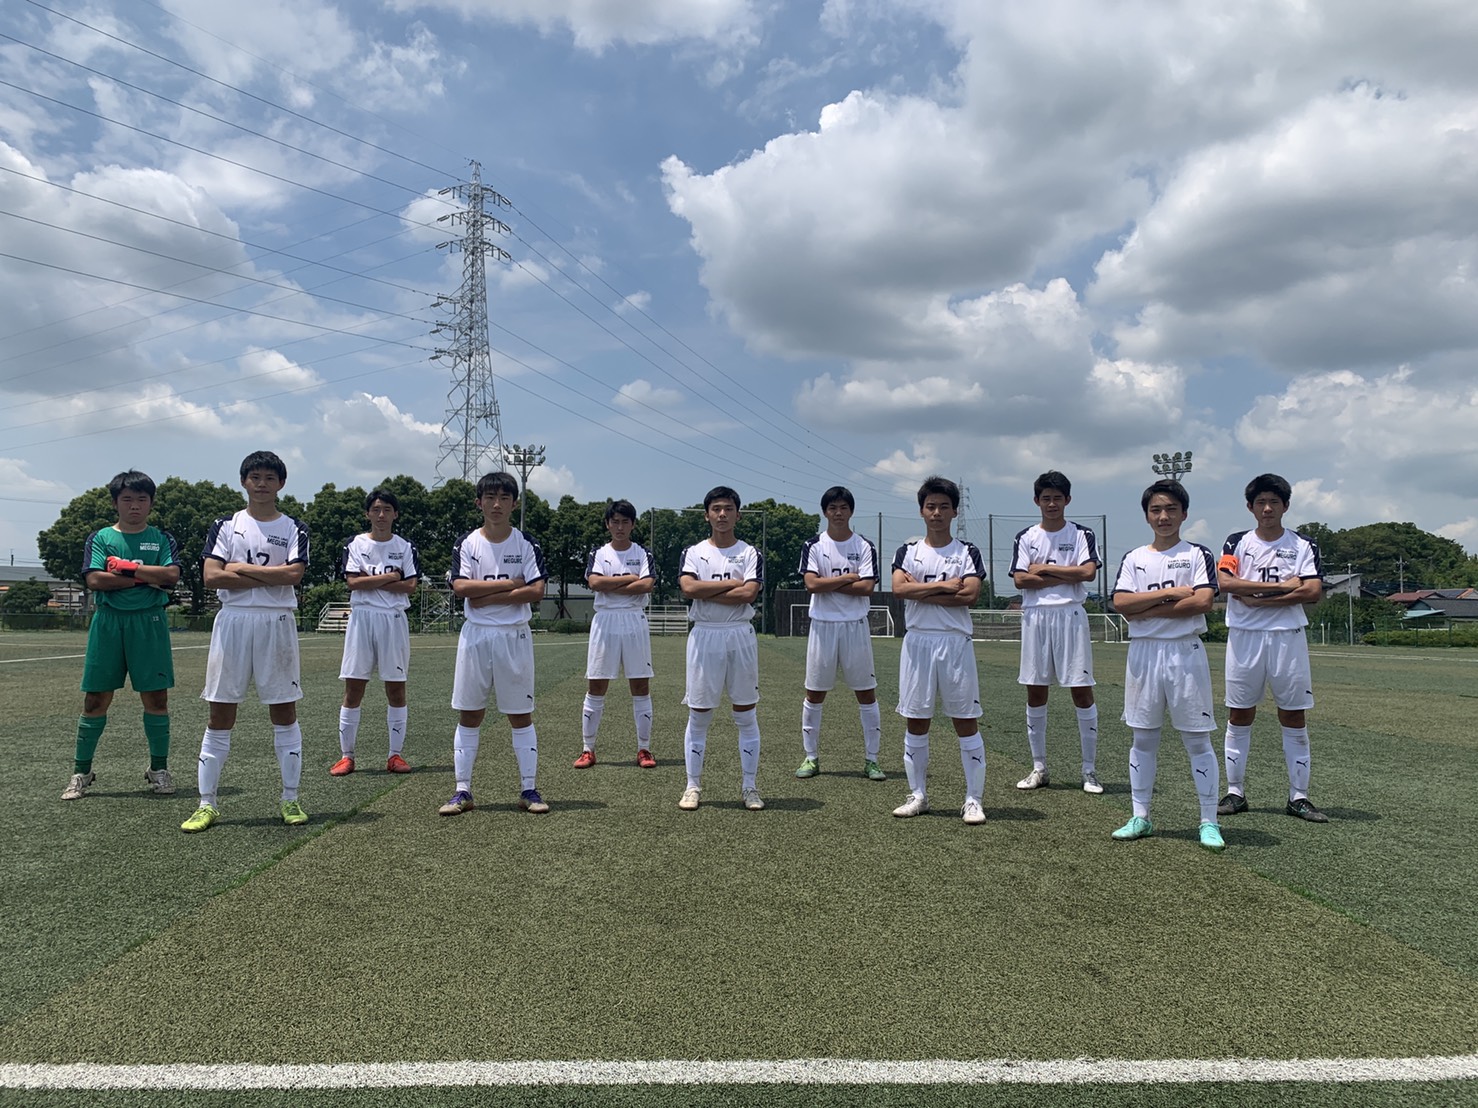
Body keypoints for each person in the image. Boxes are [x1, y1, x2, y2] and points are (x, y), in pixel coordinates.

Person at [182, 451, 310, 833]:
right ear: (243, 481)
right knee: (220, 713)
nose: (262, 484)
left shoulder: (294, 527)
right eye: (255, 477)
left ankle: (290, 798)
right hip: (233, 621)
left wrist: (238, 568)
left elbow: (294, 576)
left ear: (281, 483)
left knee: (284, 711)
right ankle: (206, 803)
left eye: (269, 478)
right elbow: (211, 577)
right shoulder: (225, 525)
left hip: (276, 622)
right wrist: (270, 574)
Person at [1109, 479, 1224, 852]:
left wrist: (1146, 607)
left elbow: (1203, 602)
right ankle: (1140, 816)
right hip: (1143, 653)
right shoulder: (1134, 558)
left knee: (1197, 739)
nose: (1163, 516)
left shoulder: (1196, 554)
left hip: (1184, 652)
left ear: (1184, 514)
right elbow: (1121, 603)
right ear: (1146, 515)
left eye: (1171, 509)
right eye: (1156, 510)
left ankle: (1209, 821)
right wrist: (1170, 594)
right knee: (1143, 738)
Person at [63, 470, 182, 801]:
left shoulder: (162, 538)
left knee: (156, 699)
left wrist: (124, 568)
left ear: (151, 503)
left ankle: (158, 769)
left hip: (149, 622)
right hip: (108, 622)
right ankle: (82, 772)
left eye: (142, 499)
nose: (134, 506)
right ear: (115, 503)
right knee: (95, 699)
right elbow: (95, 580)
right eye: (127, 499)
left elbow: (171, 575)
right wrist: (146, 578)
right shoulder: (100, 538)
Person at [1215, 474, 1327, 822]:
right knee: (1239, 712)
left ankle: (1299, 797)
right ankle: (1235, 792)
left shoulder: (1303, 544)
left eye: (1274, 502)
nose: (1267, 508)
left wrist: (1259, 599)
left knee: (1293, 714)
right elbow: (1225, 583)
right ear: (1250, 507)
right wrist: (1283, 587)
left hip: (1287, 635)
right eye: (1261, 502)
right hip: (1244, 636)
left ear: (1285, 506)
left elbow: (1312, 590)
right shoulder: (1236, 542)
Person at [439, 472, 550, 817]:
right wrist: (511, 585)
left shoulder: (526, 543)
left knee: (520, 714)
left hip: (514, 635)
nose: (497, 504)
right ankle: (462, 790)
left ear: (514, 504)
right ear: (479, 503)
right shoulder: (467, 543)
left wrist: (486, 595)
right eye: (490, 498)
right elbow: (461, 588)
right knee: (470, 712)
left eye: (504, 498)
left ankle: (529, 788)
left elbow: (537, 590)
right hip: (476, 635)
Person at [889, 476, 988, 824]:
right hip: (918, 642)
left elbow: (969, 595)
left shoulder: (967, 552)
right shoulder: (908, 551)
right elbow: (898, 590)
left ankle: (973, 800)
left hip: (954, 642)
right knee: (916, 720)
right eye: (930, 506)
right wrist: (946, 586)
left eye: (944, 506)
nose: (937, 513)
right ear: (921, 511)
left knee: (965, 720)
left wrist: (921, 589)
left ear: (954, 512)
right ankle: (918, 795)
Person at [1008, 471, 1103, 793]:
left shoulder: (1081, 534)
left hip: (1071, 615)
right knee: (1036, 691)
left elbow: (1088, 573)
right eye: (1046, 498)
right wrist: (1068, 574)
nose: (1052, 504)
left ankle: (1089, 770)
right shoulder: (1026, 537)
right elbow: (1020, 579)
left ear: (1067, 500)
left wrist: (1045, 569)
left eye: (1057, 498)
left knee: (1081, 690)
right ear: (1037, 501)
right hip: (1035, 617)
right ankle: (1039, 767)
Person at [677, 486, 765, 812]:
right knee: (699, 714)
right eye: (716, 509)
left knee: (745, 713)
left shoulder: (750, 553)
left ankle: (750, 787)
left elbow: (749, 594)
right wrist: (731, 584)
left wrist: (708, 589)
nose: (722, 514)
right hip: (705, 635)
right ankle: (692, 786)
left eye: (728, 508)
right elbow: (688, 588)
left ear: (738, 515)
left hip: (740, 635)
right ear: (707, 515)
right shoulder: (694, 552)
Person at [793, 486, 884, 782]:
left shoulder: (864, 545)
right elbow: (811, 585)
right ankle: (811, 757)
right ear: (825, 512)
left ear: (851, 511)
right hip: (822, 625)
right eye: (833, 508)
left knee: (866, 693)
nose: (838, 513)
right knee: (814, 693)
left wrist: (828, 582)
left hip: (855, 625)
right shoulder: (813, 545)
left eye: (843, 508)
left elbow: (867, 587)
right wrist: (847, 578)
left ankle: (872, 760)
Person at [330, 489, 420, 777]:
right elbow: (353, 583)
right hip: (362, 618)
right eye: (376, 509)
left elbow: (410, 586)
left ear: (396, 514)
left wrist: (371, 580)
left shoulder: (405, 546)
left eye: (387, 510)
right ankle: (347, 756)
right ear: (368, 513)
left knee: (396, 687)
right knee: (354, 687)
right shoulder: (355, 544)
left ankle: (395, 755)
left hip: (393, 619)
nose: (381, 515)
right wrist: (391, 576)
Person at [576, 499, 657, 770]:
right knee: (596, 685)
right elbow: (594, 582)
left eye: (625, 522)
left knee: (640, 685)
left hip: (634, 620)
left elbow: (646, 585)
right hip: (605, 621)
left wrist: (612, 585)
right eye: (615, 522)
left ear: (632, 525)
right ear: (607, 524)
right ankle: (588, 749)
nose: (620, 527)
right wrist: (629, 579)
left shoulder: (643, 553)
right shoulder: (599, 553)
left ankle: (644, 748)